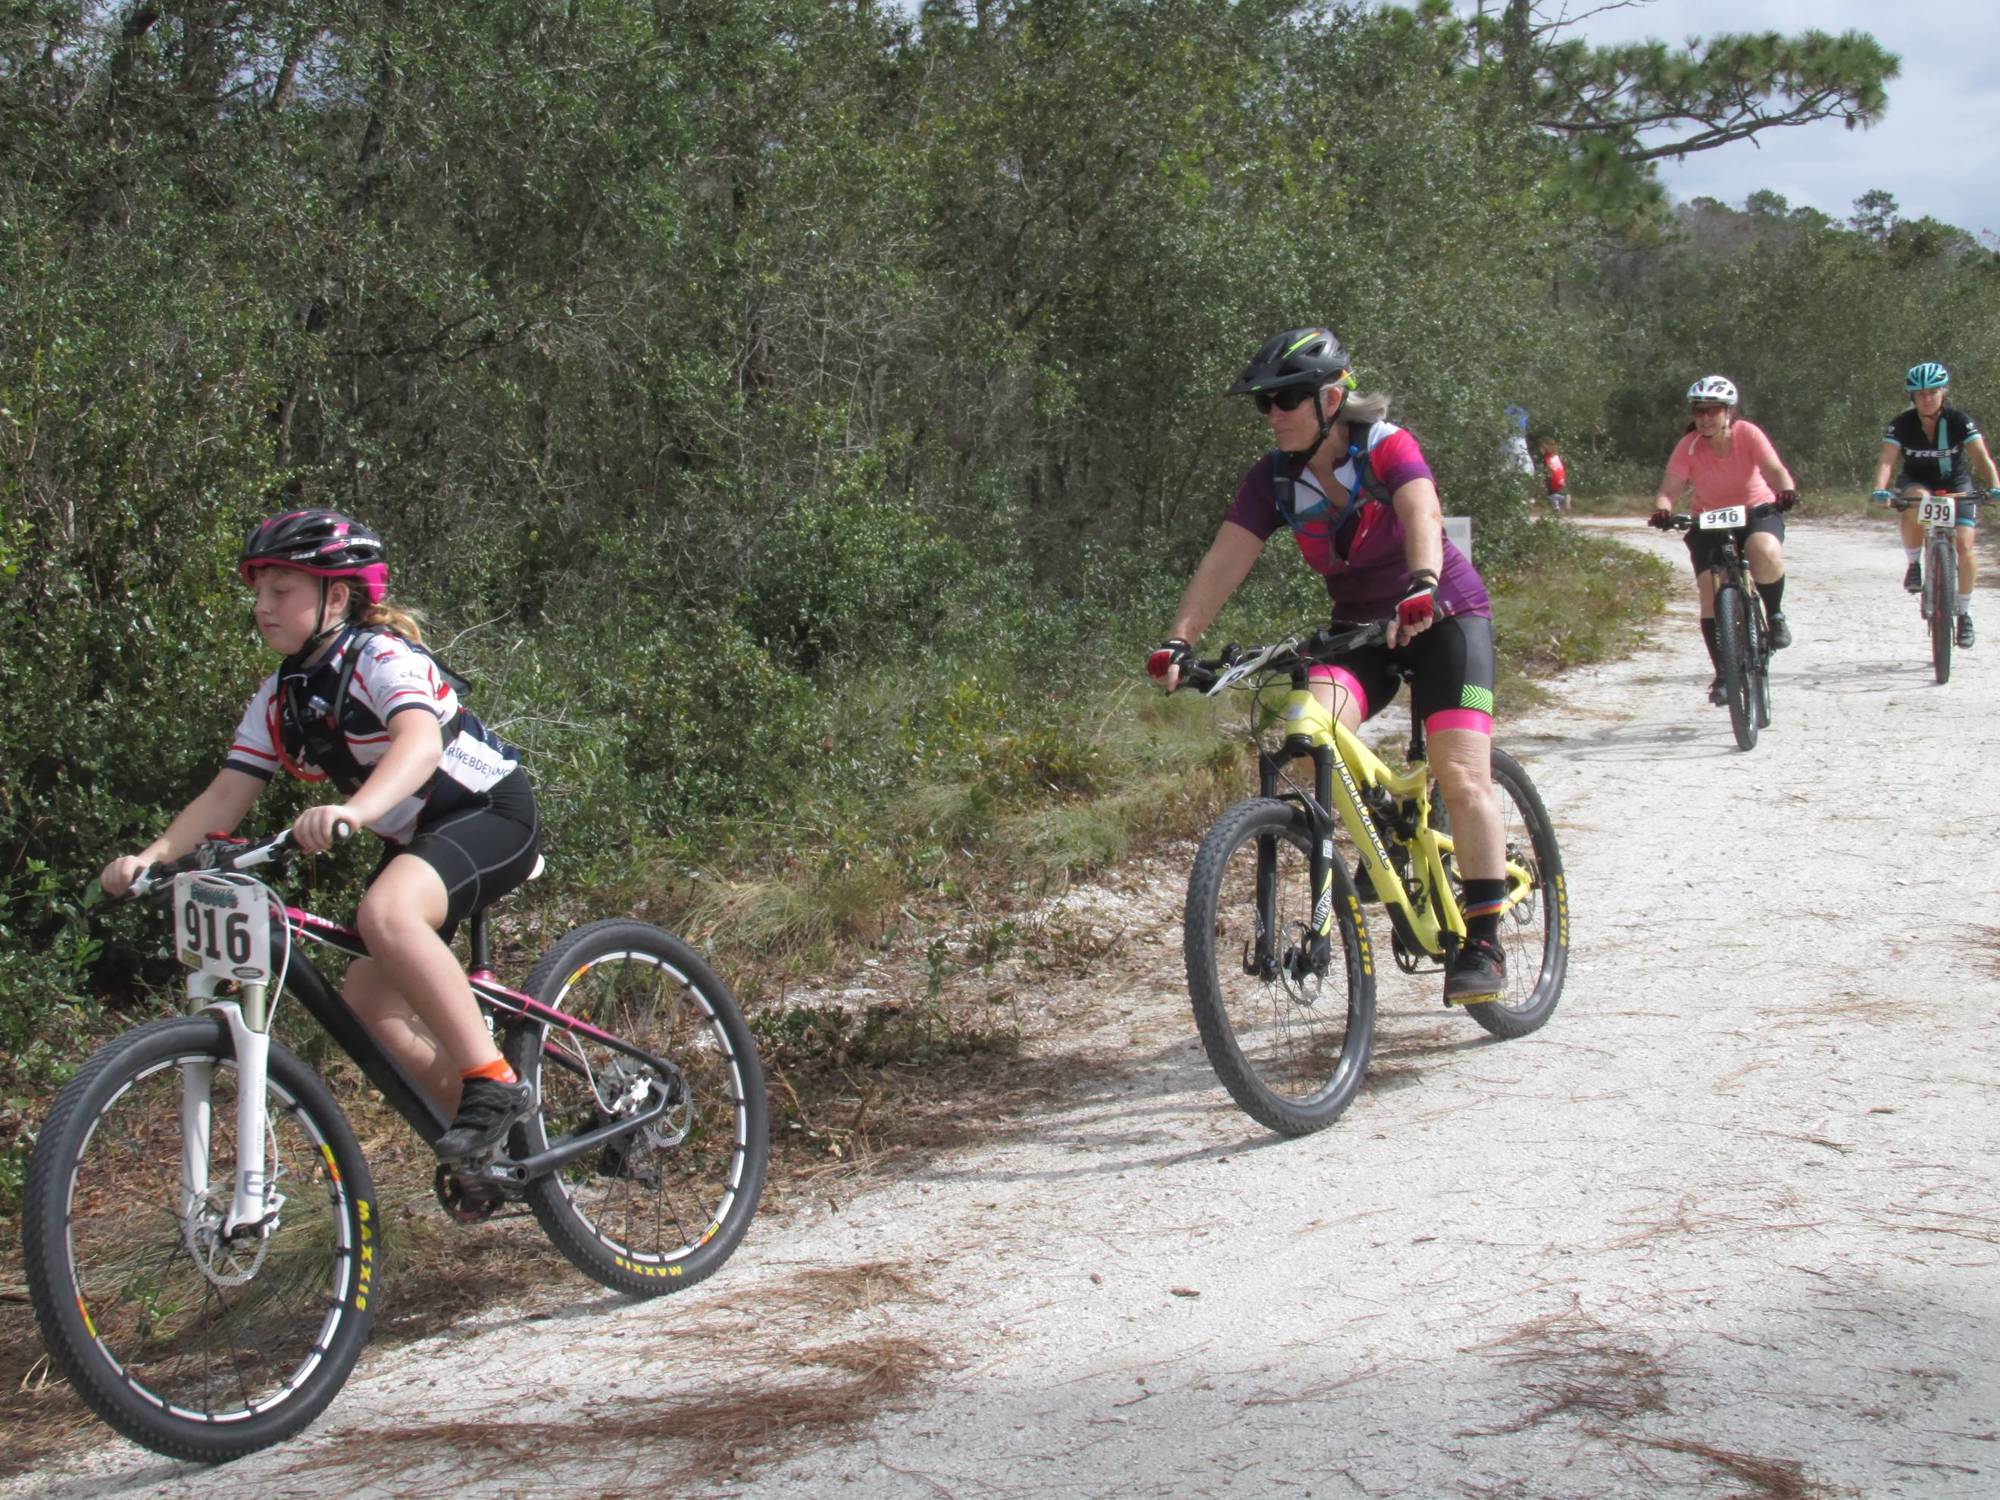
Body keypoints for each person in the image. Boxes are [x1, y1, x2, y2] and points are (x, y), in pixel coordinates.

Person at [99, 509, 542, 1160]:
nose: (262, 606)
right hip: (416, 836)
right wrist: (153, 858)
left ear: (336, 596)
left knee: (385, 911)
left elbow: (419, 745)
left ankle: (493, 1081)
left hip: (488, 809)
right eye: (258, 592)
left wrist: (356, 812)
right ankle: (505, 1150)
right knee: (368, 1008)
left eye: (281, 591)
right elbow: (226, 792)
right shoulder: (280, 696)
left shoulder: (379, 657)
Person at [1146, 327, 1509, 1003]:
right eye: (1265, 403)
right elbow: (1227, 556)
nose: (1274, 413)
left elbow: (1420, 508)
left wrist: (1423, 579)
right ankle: (1385, 834)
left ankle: (1484, 938)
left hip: (1444, 615)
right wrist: (1179, 641)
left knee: (1461, 776)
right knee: (1310, 726)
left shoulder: (1385, 446)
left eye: (1287, 397)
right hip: (1359, 634)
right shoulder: (1272, 479)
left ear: (1333, 397)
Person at [1647, 376, 1799, 703]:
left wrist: (1785, 490)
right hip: (1708, 519)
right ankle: (1723, 674)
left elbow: (1773, 468)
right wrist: (1663, 509)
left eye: (1712, 411)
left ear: (1728, 412)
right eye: (1698, 411)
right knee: (1708, 588)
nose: (1704, 418)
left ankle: (1774, 614)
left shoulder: (1748, 434)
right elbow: (1669, 489)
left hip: (1755, 510)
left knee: (1764, 550)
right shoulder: (1688, 446)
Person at [1867, 361, 2000, 649]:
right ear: (1912, 397)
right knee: (1916, 503)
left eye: (1932, 392)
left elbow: (1980, 456)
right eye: (1920, 394)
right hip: (1917, 480)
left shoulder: (1959, 420)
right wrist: (1879, 489)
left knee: (1965, 547)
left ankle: (1963, 613)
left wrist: (1995, 486)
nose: (1927, 398)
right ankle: (1914, 564)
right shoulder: (1901, 423)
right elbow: (1887, 459)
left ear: (1944, 393)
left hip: (1956, 484)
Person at [1540, 436, 1569, 512]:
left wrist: (1544, 479)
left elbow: (1548, 468)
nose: (1540, 450)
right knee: (1553, 493)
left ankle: (1562, 500)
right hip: (1561, 478)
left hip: (1554, 478)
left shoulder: (1546, 457)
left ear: (1545, 447)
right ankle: (1556, 507)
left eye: (1541, 448)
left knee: (1551, 494)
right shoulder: (1556, 455)